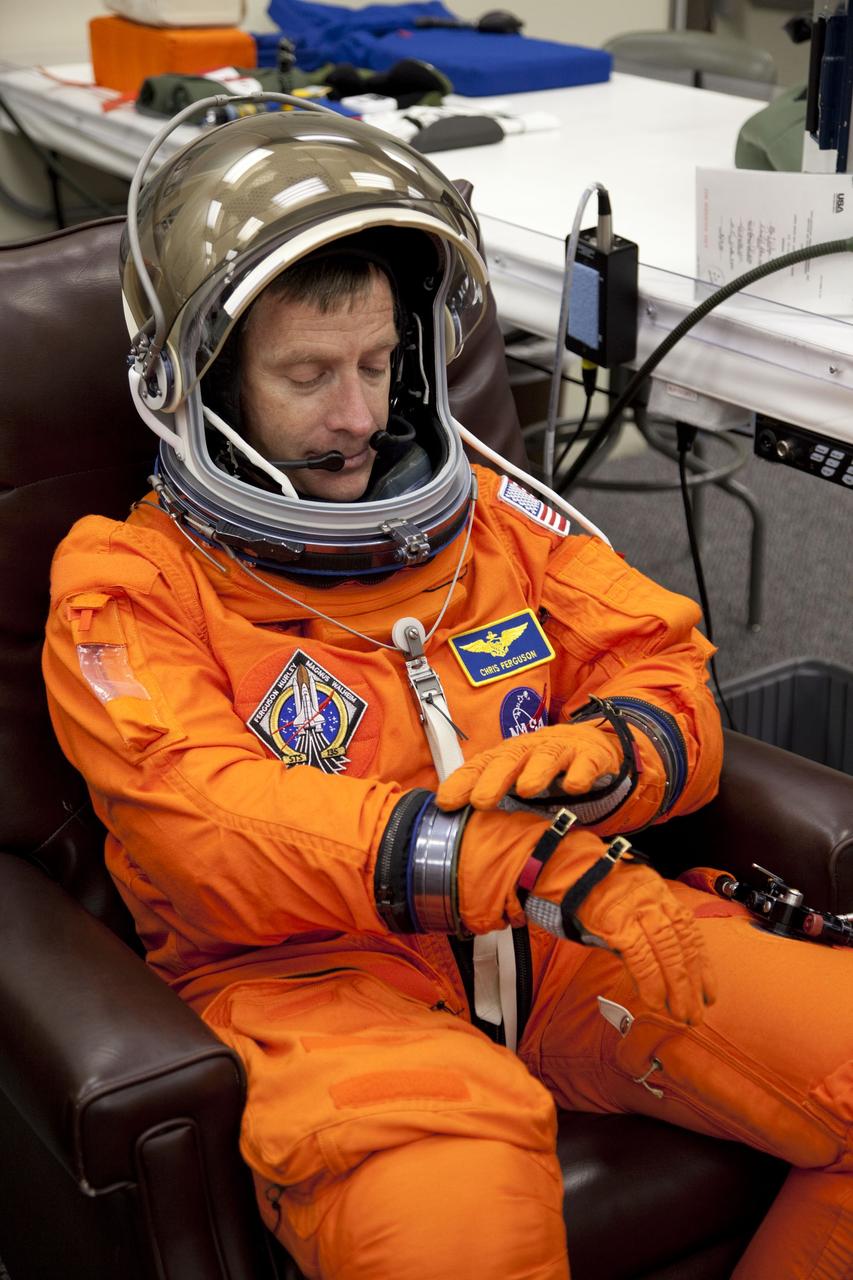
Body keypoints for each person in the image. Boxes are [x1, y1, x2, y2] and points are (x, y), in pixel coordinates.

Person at [43, 107, 851, 1280]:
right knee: (456, 1225)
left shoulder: (495, 519)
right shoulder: (126, 580)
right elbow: (199, 817)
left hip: (568, 940)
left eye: (378, 365)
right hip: (318, 984)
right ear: (203, 380)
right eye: (309, 375)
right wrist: (498, 857)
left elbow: (658, 658)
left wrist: (619, 751)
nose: (362, 416)